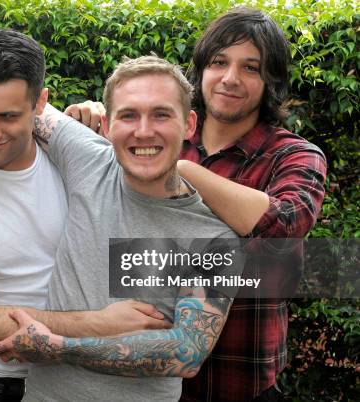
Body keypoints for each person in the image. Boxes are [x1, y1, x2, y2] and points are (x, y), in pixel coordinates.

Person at [0, 52, 245, 400]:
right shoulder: (87, 158)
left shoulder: (215, 240)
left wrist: (59, 347)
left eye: (161, 114)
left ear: (189, 124)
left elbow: (186, 353)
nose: (144, 131)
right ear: (108, 124)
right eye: (129, 115)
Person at [62, 7, 327, 401]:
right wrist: (95, 119)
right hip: (140, 383)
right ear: (201, 69)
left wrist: (183, 168)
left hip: (239, 384)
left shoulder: (292, 155)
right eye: (219, 62)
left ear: (270, 81)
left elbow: (287, 222)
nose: (230, 78)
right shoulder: (159, 135)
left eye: (250, 68)